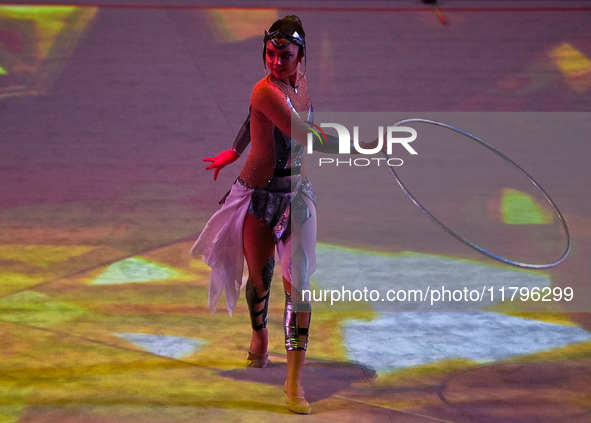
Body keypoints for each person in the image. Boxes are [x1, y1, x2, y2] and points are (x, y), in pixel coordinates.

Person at [191, 15, 367, 414]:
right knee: (259, 280)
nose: (275, 63)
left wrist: (233, 151)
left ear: (300, 56)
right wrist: (364, 146)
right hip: (258, 197)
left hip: (297, 197)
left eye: (284, 55)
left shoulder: (299, 84)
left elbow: (266, 121)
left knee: (299, 288)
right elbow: (302, 132)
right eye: (270, 54)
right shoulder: (264, 90)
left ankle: (294, 382)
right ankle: (259, 337)